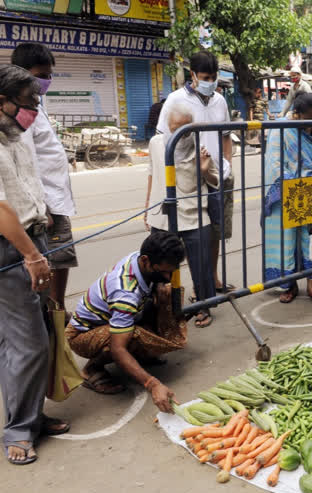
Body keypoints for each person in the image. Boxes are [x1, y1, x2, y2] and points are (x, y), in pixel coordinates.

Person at [0, 63, 71, 465]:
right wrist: (32, 254)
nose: (34, 110)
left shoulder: (16, 133)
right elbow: (1, 208)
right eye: (28, 103)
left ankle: (30, 418)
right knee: (27, 345)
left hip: (31, 237)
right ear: (2, 101)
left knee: (25, 340)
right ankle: (19, 430)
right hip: (11, 249)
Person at [66, 232, 188, 410]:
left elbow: (161, 282)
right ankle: (91, 370)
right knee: (129, 337)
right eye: (163, 272)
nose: (169, 277)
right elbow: (118, 349)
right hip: (82, 335)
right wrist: (152, 384)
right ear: (145, 261)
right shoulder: (125, 293)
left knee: (169, 293)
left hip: (117, 316)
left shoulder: (138, 259)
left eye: (172, 271)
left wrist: (159, 285)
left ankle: (140, 354)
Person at [157, 51, 233, 293]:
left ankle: (212, 278)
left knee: (215, 232)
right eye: (205, 77)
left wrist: (227, 166)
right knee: (193, 234)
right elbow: (163, 140)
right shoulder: (175, 100)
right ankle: (199, 288)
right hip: (188, 180)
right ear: (193, 75)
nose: (210, 81)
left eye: (213, 77)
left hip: (215, 175)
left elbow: (226, 136)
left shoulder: (220, 100)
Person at [12, 43, 78, 311]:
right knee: (53, 261)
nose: (47, 81)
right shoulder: (18, 109)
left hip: (55, 199)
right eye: (41, 74)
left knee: (61, 260)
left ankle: (55, 310)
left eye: (50, 75)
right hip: (45, 205)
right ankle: (53, 313)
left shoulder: (36, 102)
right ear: (21, 73)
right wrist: (44, 208)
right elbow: (24, 162)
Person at [145, 102, 217, 328]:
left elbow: (216, 181)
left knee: (201, 266)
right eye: (174, 127)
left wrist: (205, 170)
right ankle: (164, 308)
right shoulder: (156, 143)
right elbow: (151, 174)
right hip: (163, 215)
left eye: (184, 128)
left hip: (194, 215)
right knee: (159, 266)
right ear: (167, 125)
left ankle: (203, 305)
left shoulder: (200, 147)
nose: (179, 134)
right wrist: (148, 208)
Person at [263, 92, 312, 305]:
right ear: (295, 114)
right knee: (288, 240)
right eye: (309, 117)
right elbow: (274, 162)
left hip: (308, 190)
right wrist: (289, 184)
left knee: (308, 241)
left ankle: (311, 284)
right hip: (286, 190)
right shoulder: (280, 128)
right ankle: (290, 285)